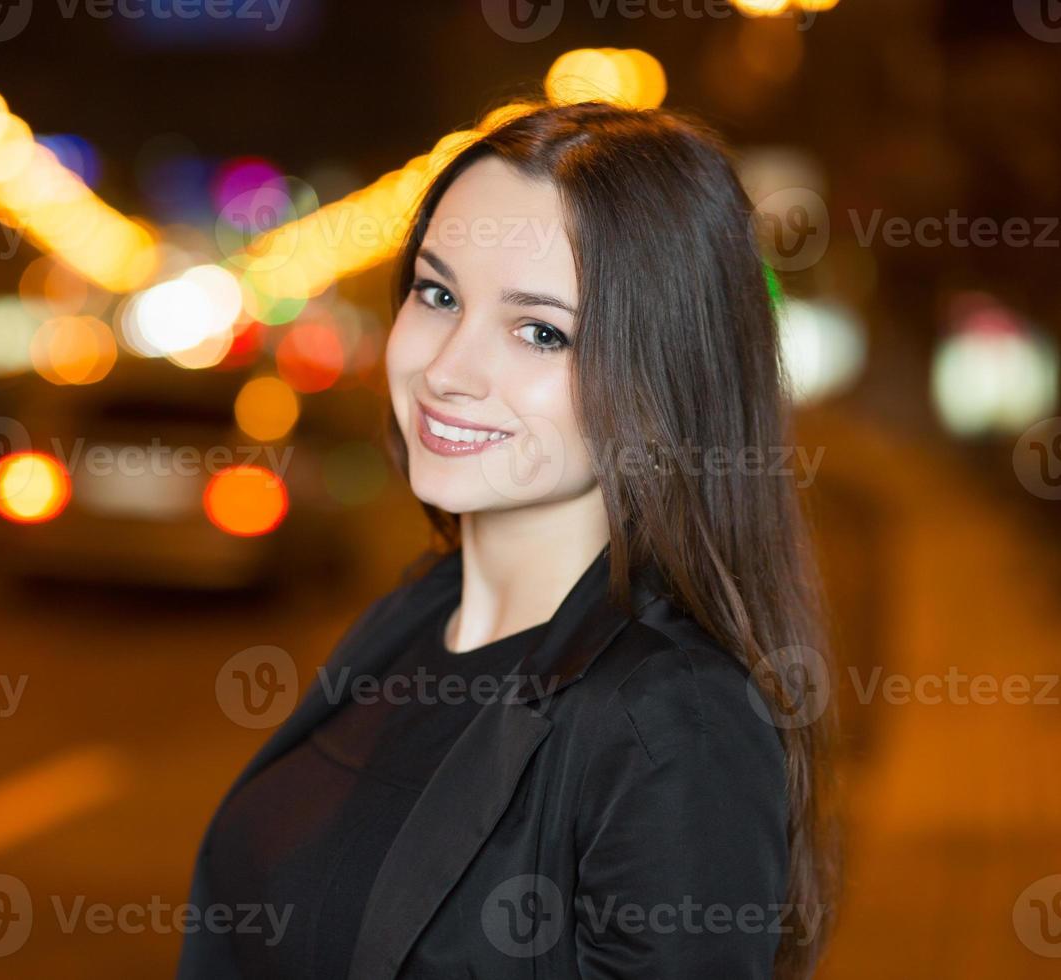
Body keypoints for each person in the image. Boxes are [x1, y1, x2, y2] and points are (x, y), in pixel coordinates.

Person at [178, 100, 838, 979]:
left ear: (667, 373)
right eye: (437, 292)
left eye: (540, 332)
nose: (447, 368)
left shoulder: (673, 726)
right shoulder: (414, 616)